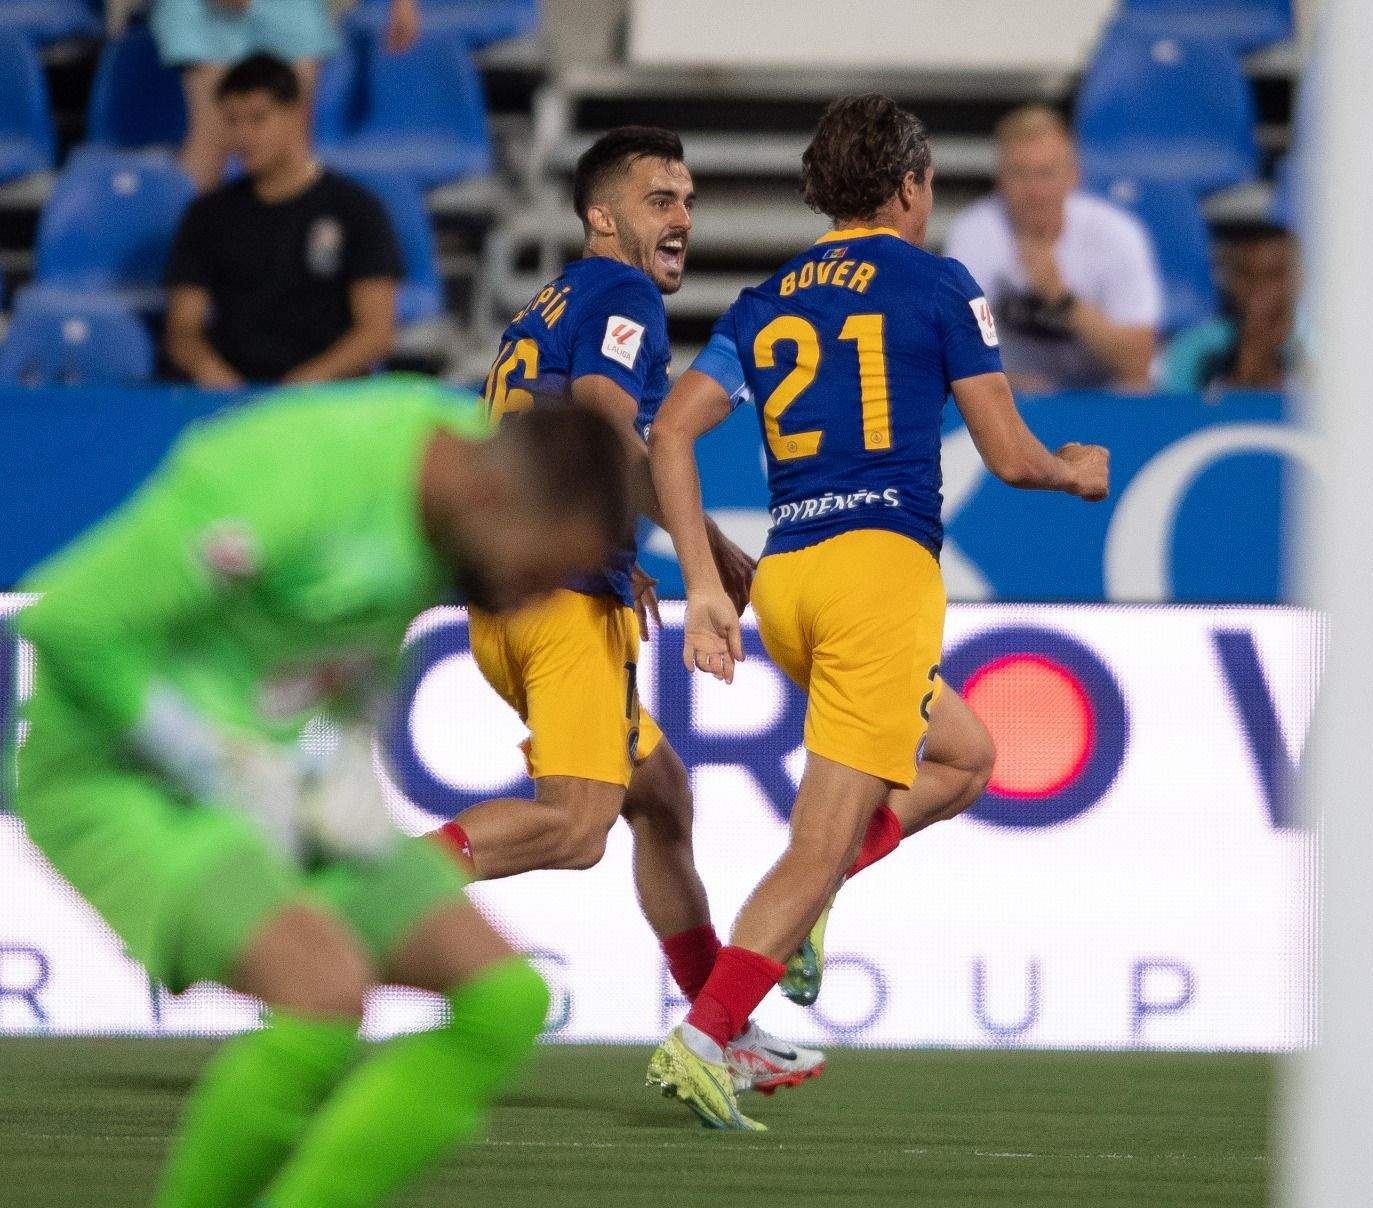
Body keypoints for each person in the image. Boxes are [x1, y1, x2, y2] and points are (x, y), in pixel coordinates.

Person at [9, 376, 631, 1205]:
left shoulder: (452, 481)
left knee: (504, 1001)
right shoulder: (295, 484)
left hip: (269, 785)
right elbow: (70, 621)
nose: (539, 599)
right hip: (113, 781)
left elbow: (348, 653)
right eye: (545, 568)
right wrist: (214, 764)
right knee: (323, 998)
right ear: (493, 495)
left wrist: (336, 769)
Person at [644, 94, 1111, 1131]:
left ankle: (805, 916)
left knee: (966, 755)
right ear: (907, 187)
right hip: (877, 579)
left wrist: (710, 583)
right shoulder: (940, 282)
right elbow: (1006, 454)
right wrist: (1074, 474)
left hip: (791, 577)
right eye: (930, 181)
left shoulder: (763, 299)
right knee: (814, 843)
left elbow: (669, 436)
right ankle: (706, 1033)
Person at [423, 127, 823, 1096]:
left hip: (519, 594)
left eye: (685, 198)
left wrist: (696, 544)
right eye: (657, 199)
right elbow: (605, 403)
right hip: (564, 604)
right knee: (573, 826)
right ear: (602, 215)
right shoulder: (622, 293)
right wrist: (696, 563)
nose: (679, 216)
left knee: (661, 799)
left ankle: (715, 1025)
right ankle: (348, 909)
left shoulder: (550, 301)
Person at [165, 54, 402, 388]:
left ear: (298, 116)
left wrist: (303, 384)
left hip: (323, 400)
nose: (242, 136)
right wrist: (216, 377)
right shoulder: (207, 215)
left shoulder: (356, 210)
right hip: (233, 400)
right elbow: (183, 329)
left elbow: (376, 332)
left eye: (257, 119)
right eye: (232, 121)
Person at [944, 103, 1161, 393]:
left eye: (1045, 174)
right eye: (1020, 174)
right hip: (1011, 398)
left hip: (1104, 398)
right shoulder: (973, 233)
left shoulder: (1116, 233)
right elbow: (954, 351)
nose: (1034, 191)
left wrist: (1061, 300)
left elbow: (1138, 361)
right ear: (1000, 179)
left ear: (1074, 176)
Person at [148, 0, 419, 188]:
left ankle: (291, 260)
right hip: (206, 14)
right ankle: (186, 260)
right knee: (213, 138)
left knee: (292, 139)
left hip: (289, 9)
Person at [1161, 221, 1300, 394]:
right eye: (1244, 274)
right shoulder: (1194, 348)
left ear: (1299, 280)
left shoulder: (1327, 345)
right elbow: (1171, 412)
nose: (1258, 288)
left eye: (1274, 275)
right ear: (1227, 280)